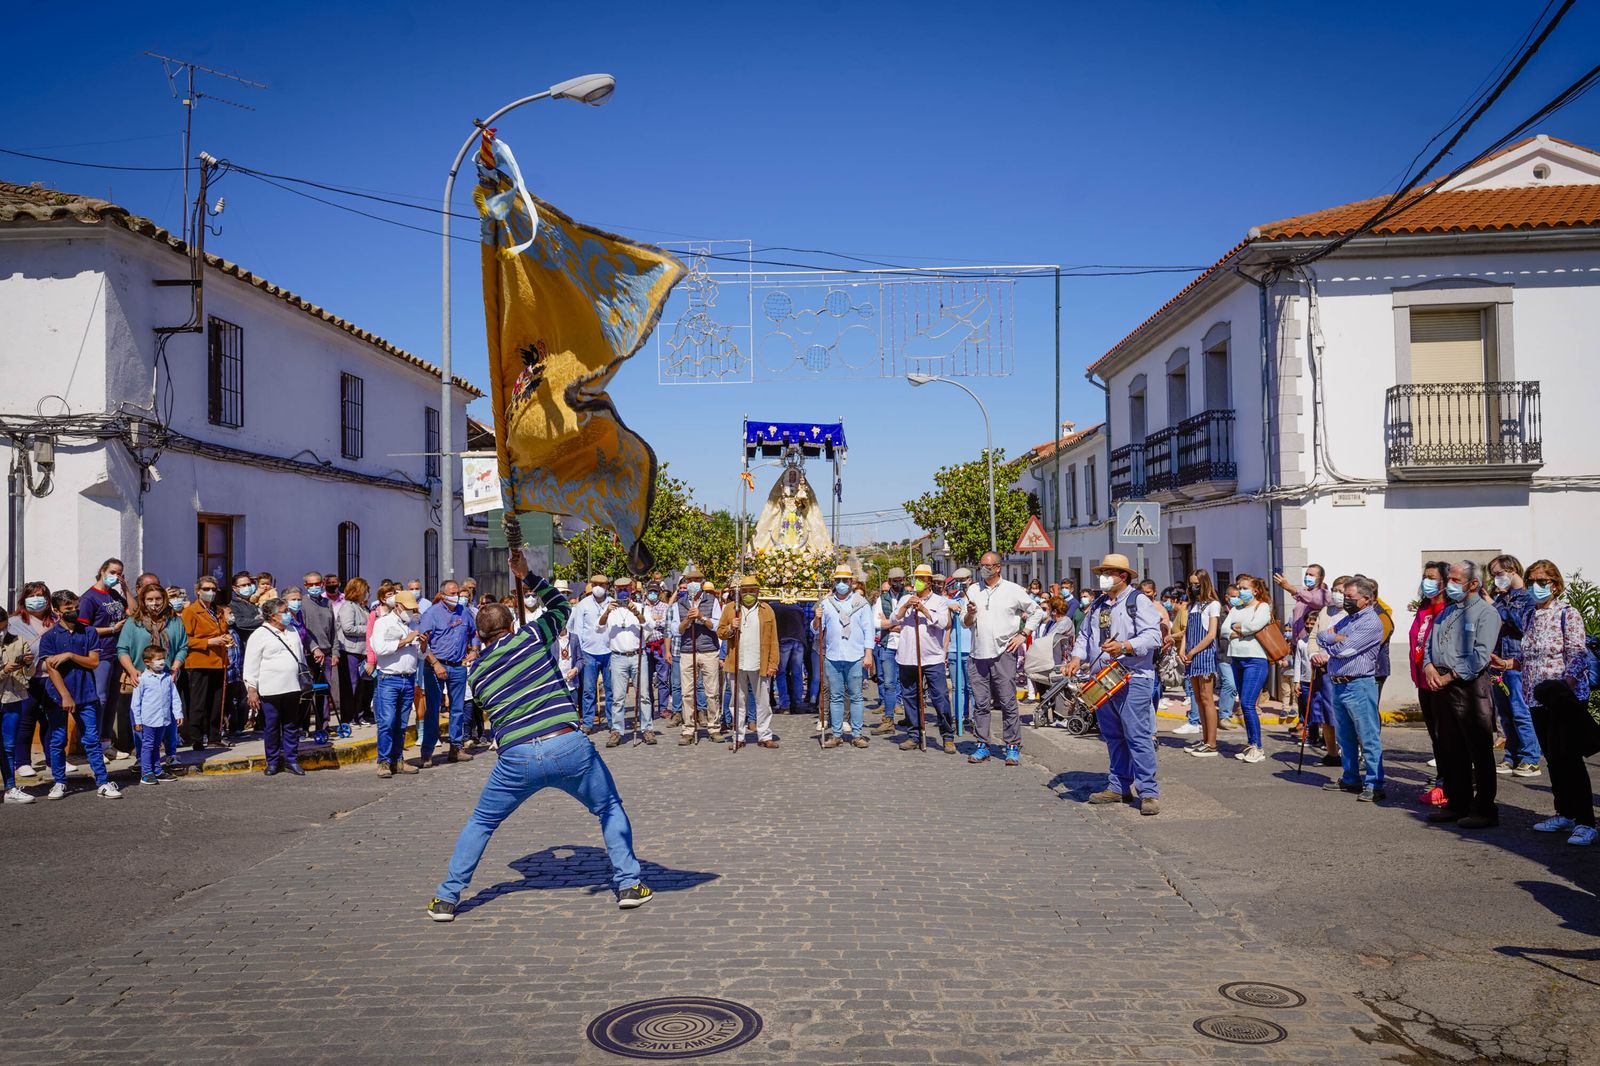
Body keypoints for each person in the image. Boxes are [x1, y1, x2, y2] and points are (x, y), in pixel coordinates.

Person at [427, 551, 651, 920]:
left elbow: (488, 707)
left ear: (479, 636)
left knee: (481, 823)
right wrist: (527, 575)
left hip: (517, 757)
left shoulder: (476, 673)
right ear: (512, 624)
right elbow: (561, 608)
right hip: (567, 743)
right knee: (608, 807)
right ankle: (628, 883)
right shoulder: (531, 637)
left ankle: (447, 897)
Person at [1064, 553, 1163, 814]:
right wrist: (1076, 658)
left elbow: (1153, 636)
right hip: (1103, 679)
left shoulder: (1137, 600)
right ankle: (1118, 785)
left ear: (1123, 576)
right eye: (1102, 572)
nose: (1103, 577)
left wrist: (1126, 646)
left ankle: (1148, 791)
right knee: (1113, 736)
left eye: (1109, 572)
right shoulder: (1097, 605)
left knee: (1137, 735)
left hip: (1132, 677)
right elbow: (1085, 635)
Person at [1516, 560, 1596, 846]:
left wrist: (1566, 688)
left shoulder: (1567, 614)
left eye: (1542, 581)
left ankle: (1586, 822)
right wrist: (1509, 662)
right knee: (1553, 759)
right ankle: (1565, 812)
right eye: (1531, 582)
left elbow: (1577, 654)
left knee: (1570, 759)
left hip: (1563, 699)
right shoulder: (1529, 615)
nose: (1536, 587)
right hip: (1536, 699)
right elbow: (1529, 656)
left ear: (1555, 584)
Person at [1423, 561, 1502, 829]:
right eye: (1450, 579)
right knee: (1451, 748)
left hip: (1468, 687)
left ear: (1473, 584)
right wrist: (1429, 667)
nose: (1450, 585)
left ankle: (1485, 808)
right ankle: (1457, 802)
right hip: (1441, 686)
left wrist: (1450, 676)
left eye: (1457, 580)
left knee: (1478, 749)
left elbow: (1480, 655)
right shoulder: (1445, 612)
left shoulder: (1486, 613)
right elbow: (1428, 645)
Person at [964, 551, 1044, 765]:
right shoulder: (973, 589)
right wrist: (971, 613)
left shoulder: (1013, 590)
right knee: (980, 703)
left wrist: (1023, 634)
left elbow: (1037, 612)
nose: (984, 569)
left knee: (1008, 702)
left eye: (988, 565)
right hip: (977, 654)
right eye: (981, 565)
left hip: (1003, 653)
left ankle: (1012, 746)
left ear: (998, 567)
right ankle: (982, 744)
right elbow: (966, 622)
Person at [1313, 576, 1387, 802]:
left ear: (1366, 599)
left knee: (1368, 736)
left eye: (1350, 597)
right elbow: (1322, 635)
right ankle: (1351, 777)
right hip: (1338, 683)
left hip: (1359, 684)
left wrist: (1336, 641)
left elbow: (1344, 650)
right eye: (1345, 596)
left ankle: (1375, 783)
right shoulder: (1348, 619)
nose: (1345, 600)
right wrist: (1336, 637)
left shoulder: (1371, 622)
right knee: (1345, 736)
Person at [39, 591, 118, 800]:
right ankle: (59, 782)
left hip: (86, 692)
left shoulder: (89, 632)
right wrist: (65, 695)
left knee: (91, 739)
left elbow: (93, 662)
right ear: (56, 611)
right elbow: (51, 668)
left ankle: (102, 781)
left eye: (75, 607)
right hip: (57, 696)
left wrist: (71, 655)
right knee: (57, 740)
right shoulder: (49, 637)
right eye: (68, 609)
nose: (74, 611)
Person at [118, 582, 188, 775]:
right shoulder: (134, 622)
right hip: (141, 678)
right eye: (150, 599)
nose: (154, 603)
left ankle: (171, 753)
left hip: (167, 677)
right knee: (141, 718)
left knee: (170, 718)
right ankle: (143, 757)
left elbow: (183, 646)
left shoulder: (174, 621)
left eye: (158, 599)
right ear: (143, 601)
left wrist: (175, 667)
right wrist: (132, 670)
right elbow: (122, 649)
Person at [1486, 555, 1541, 778]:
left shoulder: (1527, 597)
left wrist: (1496, 608)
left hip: (1516, 660)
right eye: (1494, 575)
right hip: (1497, 661)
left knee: (1520, 711)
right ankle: (1511, 757)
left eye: (1499, 574)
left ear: (1512, 570)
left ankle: (1530, 758)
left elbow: (1522, 625)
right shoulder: (1500, 597)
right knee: (1505, 713)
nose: (1496, 579)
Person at [891, 564, 956, 754]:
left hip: (932, 657)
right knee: (910, 697)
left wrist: (925, 611)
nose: (917, 582)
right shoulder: (905, 597)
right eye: (916, 578)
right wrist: (906, 606)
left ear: (928, 581)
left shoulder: (940, 602)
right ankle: (914, 734)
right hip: (908, 657)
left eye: (921, 578)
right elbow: (894, 618)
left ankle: (947, 735)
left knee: (941, 697)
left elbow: (944, 624)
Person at [244, 597, 309, 777]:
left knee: (291, 725)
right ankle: (272, 761)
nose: (289, 614)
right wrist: (251, 689)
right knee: (272, 726)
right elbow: (251, 664)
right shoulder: (259, 635)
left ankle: (291, 760)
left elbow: (300, 657)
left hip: (293, 687)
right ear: (273, 616)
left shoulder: (292, 631)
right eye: (284, 611)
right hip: (270, 689)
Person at [418, 579, 479, 764]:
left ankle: (456, 748)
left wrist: (474, 650)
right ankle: (427, 752)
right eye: (452, 594)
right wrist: (436, 664)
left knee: (458, 709)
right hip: (436, 666)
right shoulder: (431, 614)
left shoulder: (465, 612)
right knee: (433, 710)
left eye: (458, 593)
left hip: (458, 666)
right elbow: (422, 644)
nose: (457, 597)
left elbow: (474, 633)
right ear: (443, 596)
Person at [79, 557, 131, 762]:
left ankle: (106, 742)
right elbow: (83, 629)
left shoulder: (116, 594)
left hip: (117, 652)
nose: (115, 577)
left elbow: (134, 611)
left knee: (112, 699)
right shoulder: (89, 598)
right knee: (99, 698)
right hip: (100, 653)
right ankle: (92, 746)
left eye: (119, 573)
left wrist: (126, 588)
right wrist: (111, 629)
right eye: (112, 572)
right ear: (102, 571)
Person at [370, 586, 425, 777]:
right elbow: (380, 649)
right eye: (408, 608)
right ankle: (384, 762)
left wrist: (422, 644)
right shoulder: (382, 623)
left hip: (408, 678)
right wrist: (405, 641)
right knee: (387, 721)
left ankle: (398, 759)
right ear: (398, 606)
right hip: (389, 679)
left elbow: (420, 654)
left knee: (402, 723)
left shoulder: (412, 625)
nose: (411, 612)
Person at [718, 576, 779, 749]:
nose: (748, 593)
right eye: (745, 590)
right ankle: (738, 736)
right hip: (736, 662)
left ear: (758, 591)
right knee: (737, 702)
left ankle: (764, 735)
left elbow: (774, 638)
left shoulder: (767, 610)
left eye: (752, 590)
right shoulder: (731, 609)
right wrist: (731, 627)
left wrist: (773, 663)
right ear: (740, 592)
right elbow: (720, 632)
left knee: (763, 702)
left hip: (760, 663)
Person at [816, 564, 874, 749]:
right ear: (834, 582)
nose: (841, 583)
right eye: (838, 580)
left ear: (851, 581)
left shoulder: (861, 603)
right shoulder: (826, 603)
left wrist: (868, 654)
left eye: (845, 580)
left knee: (856, 696)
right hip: (833, 656)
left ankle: (857, 734)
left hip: (855, 655)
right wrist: (817, 618)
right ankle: (836, 733)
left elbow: (869, 630)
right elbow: (817, 629)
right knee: (835, 696)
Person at [1409, 561, 1450, 800]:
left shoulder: (1448, 609)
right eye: (1425, 576)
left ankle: (1449, 783)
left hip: (1441, 681)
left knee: (1446, 734)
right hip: (1423, 681)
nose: (1427, 582)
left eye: (1432, 577)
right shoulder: (1423, 608)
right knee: (1435, 735)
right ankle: (1442, 781)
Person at [1222, 574, 1274, 763]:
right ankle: (1251, 743)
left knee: (1248, 704)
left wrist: (1240, 629)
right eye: (1239, 587)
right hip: (1237, 657)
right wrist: (1237, 631)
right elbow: (1224, 629)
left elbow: (1255, 625)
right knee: (1243, 702)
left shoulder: (1262, 607)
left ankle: (1257, 747)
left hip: (1255, 659)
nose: (1241, 591)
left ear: (1255, 590)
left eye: (1244, 588)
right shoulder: (1236, 608)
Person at [7, 584, 55, 783]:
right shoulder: (14, 622)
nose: (37, 599)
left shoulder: (55, 620)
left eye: (41, 596)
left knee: (52, 721)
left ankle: (54, 760)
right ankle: (22, 762)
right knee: (26, 719)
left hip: (52, 678)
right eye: (33, 595)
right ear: (24, 599)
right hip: (25, 678)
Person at [599, 576, 652, 746]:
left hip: (638, 656)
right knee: (618, 697)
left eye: (625, 589)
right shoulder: (609, 608)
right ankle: (616, 730)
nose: (622, 592)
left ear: (632, 590)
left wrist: (636, 613)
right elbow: (599, 627)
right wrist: (607, 612)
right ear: (614, 590)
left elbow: (649, 627)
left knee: (644, 695)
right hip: (617, 657)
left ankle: (647, 728)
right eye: (619, 589)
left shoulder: (641, 607)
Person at [180, 576, 231, 750]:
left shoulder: (217, 611)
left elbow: (223, 631)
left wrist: (226, 637)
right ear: (198, 591)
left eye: (213, 589)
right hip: (199, 662)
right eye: (206, 589)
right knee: (198, 702)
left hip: (218, 661)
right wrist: (208, 643)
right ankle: (196, 737)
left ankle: (214, 736)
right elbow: (184, 639)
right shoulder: (191, 612)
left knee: (216, 702)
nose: (210, 592)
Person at [1177, 570, 1222, 757]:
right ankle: (1204, 739)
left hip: (1203, 655)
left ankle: (1212, 743)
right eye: (1191, 583)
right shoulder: (1193, 605)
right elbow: (1187, 631)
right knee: (1198, 699)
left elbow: (1211, 634)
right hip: (1191, 654)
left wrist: (1193, 651)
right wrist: (1182, 649)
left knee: (1207, 698)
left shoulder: (1213, 605)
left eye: (1196, 583)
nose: (1193, 587)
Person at [676, 568, 722, 744]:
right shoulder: (680, 603)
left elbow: (717, 626)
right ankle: (688, 729)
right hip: (688, 651)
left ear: (702, 582)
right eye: (690, 580)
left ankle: (714, 727)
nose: (694, 582)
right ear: (686, 583)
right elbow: (677, 630)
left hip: (709, 650)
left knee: (712, 693)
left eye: (697, 579)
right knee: (687, 693)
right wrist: (688, 620)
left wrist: (701, 617)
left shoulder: (712, 601)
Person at [130, 645, 184, 785]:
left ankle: (157, 770)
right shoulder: (142, 680)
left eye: (163, 659)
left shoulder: (167, 678)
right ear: (147, 662)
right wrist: (137, 721)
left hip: (163, 719)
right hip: (148, 720)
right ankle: (146, 772)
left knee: (156, 745)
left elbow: (174, 697)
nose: (162, 662)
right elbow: (136, 703)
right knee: (147, 745)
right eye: (158, 659)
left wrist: (178, 714)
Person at [569, 574, 613, 734]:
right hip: (588, 652)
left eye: (602, 584)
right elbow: (577, 629)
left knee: (610, 689)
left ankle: (612, 721)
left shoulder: (612, 602)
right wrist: (578, 653)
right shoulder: (583, 605)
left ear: (607, 586)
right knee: (588, 690)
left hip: (609, 651)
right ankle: (587, 721)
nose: (598, 587)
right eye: (595, 584)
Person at [1, 606, 37, 803]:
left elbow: (29, 673)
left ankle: (10, 788)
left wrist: (28, 663)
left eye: (5, 627)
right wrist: (4, 670)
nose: (3, 632)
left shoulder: (18, 640)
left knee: (8, 746)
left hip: (12, 697)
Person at [300, 571, 339, 740]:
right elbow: (303, 630)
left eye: (318, 584)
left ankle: (323, 725)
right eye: (311, 584)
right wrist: (314, 649)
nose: (315, 587)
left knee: (324, 691)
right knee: (306, 691)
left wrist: (335, 651)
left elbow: (334, 631)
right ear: (306, 586)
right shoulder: (302, 603)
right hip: (308, 653)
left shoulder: (327, 603)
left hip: (327, 652)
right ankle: (303, 726)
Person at [1023, 597, 1075, 713]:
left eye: (1050, 609)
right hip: (1050, 659)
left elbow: (1051, 637)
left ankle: (1060, 716)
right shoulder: (1053, 622)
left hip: (1061, 661)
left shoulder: (1065, 622)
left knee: (1058, 691)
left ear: (1055, 611)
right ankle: (1045, 714)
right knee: (1043, 686)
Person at [336, 578, 375, 727]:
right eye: (365, 590)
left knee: (362, 685)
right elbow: (348, 628)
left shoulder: (363, 607)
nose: (367, 593)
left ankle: (360, 714)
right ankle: (349, 717)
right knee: (351, 685)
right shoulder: (348, 607)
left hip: (363, 651)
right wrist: (369, 629)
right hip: (350, 650)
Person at [872, 570, 905, 734]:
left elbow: (911, 623)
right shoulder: (881, 599)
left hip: (906, 646)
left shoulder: (909, 597)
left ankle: (912, 719)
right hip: (887, 645)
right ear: (889, 581)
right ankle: (888, 719)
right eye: (895, 580)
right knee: (889, 683)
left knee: (908, 684)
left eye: (900, 580)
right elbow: (876, 622)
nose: (898, 583)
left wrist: (889, 622)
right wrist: (895, 625)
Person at [946, 568, 974, 735]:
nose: (960, 583)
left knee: (972, 688)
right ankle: (959, 718)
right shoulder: (953, 601)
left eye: (963, 579)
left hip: (972, 650)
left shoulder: (976, 599)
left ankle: (975, 719)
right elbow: (947, 628)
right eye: (957, 580)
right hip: (955, 650)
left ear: (970, 579)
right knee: (958, 688)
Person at [640, 581, 673, 727]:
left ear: (659, 592)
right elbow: (642, 623)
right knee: (645, 680)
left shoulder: (665, 607)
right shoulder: (641, 607)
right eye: (650, 591)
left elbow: (666, 625)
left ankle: (663, 708)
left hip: (660, 645)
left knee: (663, 679)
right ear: (646, 592)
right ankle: (649, 708)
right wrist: (655, 620)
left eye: (655, 591)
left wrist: (652, 620)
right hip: (645, 646)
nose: (652, 593)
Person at [771, 599, 809, 716]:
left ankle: (785, 705)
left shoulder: (773, 607)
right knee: (797, 673)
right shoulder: (798, 608)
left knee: (781, 673)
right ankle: (797, 704)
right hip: (798, 641)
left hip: (783, 640)